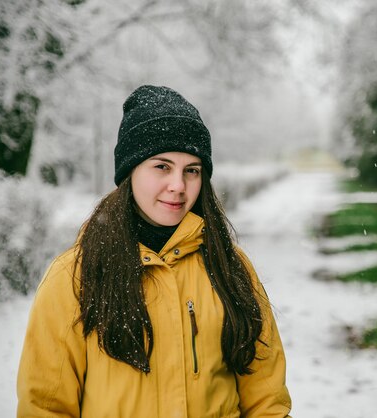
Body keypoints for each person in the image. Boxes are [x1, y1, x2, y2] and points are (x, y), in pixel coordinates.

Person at [17, 85, 292, 417]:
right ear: (130, 171)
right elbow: (46, 407)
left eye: (192, 170)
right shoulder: (75, 276)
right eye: (162, 166)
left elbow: (266, 399)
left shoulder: (230, 267)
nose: (178, 185)